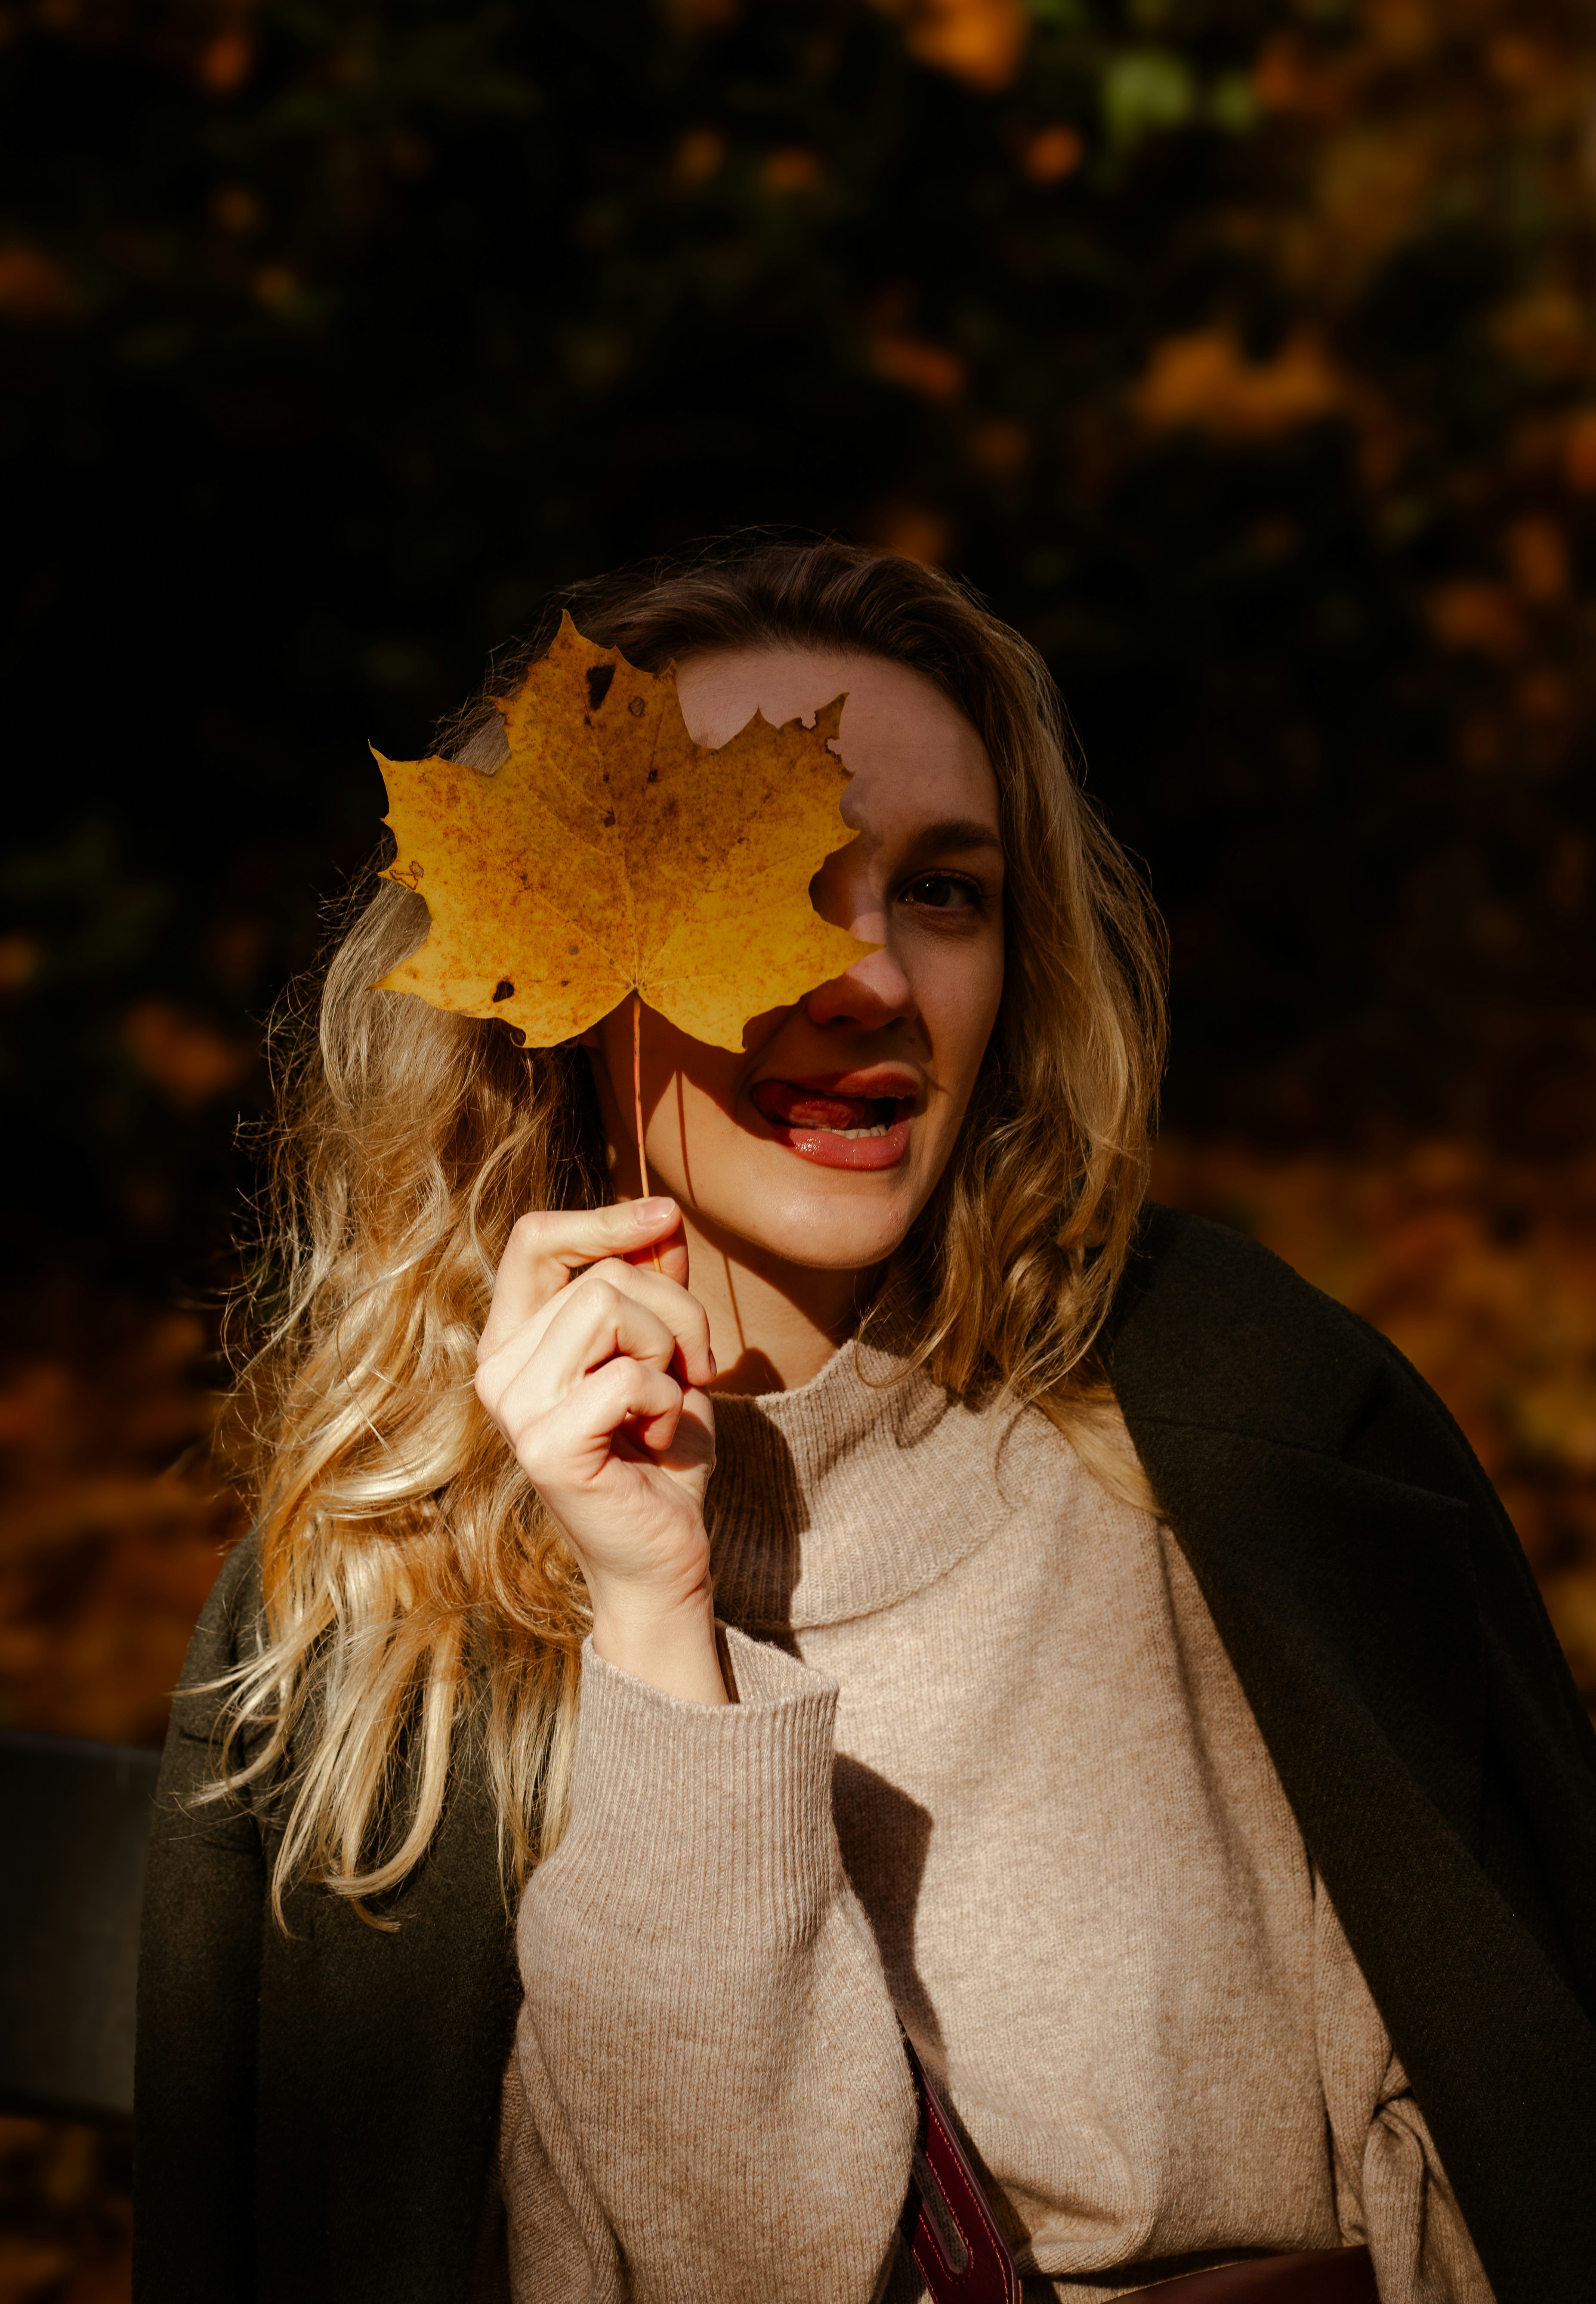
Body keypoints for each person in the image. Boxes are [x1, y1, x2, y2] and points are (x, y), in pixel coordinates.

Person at [135, 541, 1596, 2304]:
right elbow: (748, 2258)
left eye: (948, 894)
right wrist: (658, 1622)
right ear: (565, 954)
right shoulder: (372, 1614)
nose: (875, 981)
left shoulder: (1256, 1427)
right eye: (772, 886)